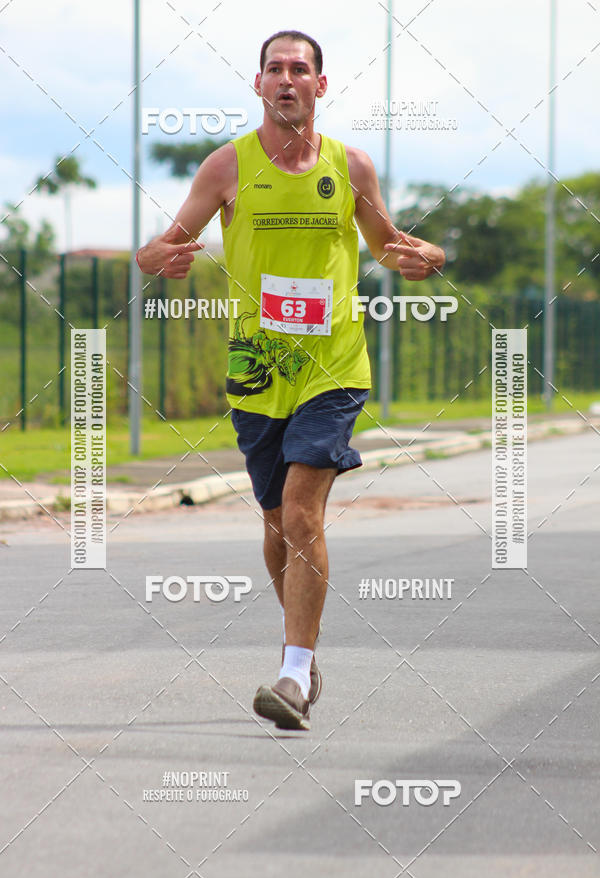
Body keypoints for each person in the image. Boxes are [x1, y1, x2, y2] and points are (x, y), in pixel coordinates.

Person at [136, 29, 445, 731]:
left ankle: (293, 675)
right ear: (257, 85)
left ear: (320, 85)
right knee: (277, 525)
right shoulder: (227, 167)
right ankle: (302, 653)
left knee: (304, 512)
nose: (286, 79)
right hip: (257, 368)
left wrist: (426, 255)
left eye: (298, 69)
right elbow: (155, 250)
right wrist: (162, 259)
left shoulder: (351, 167)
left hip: (334, 365)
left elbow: (392, 249)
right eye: (274, 69)